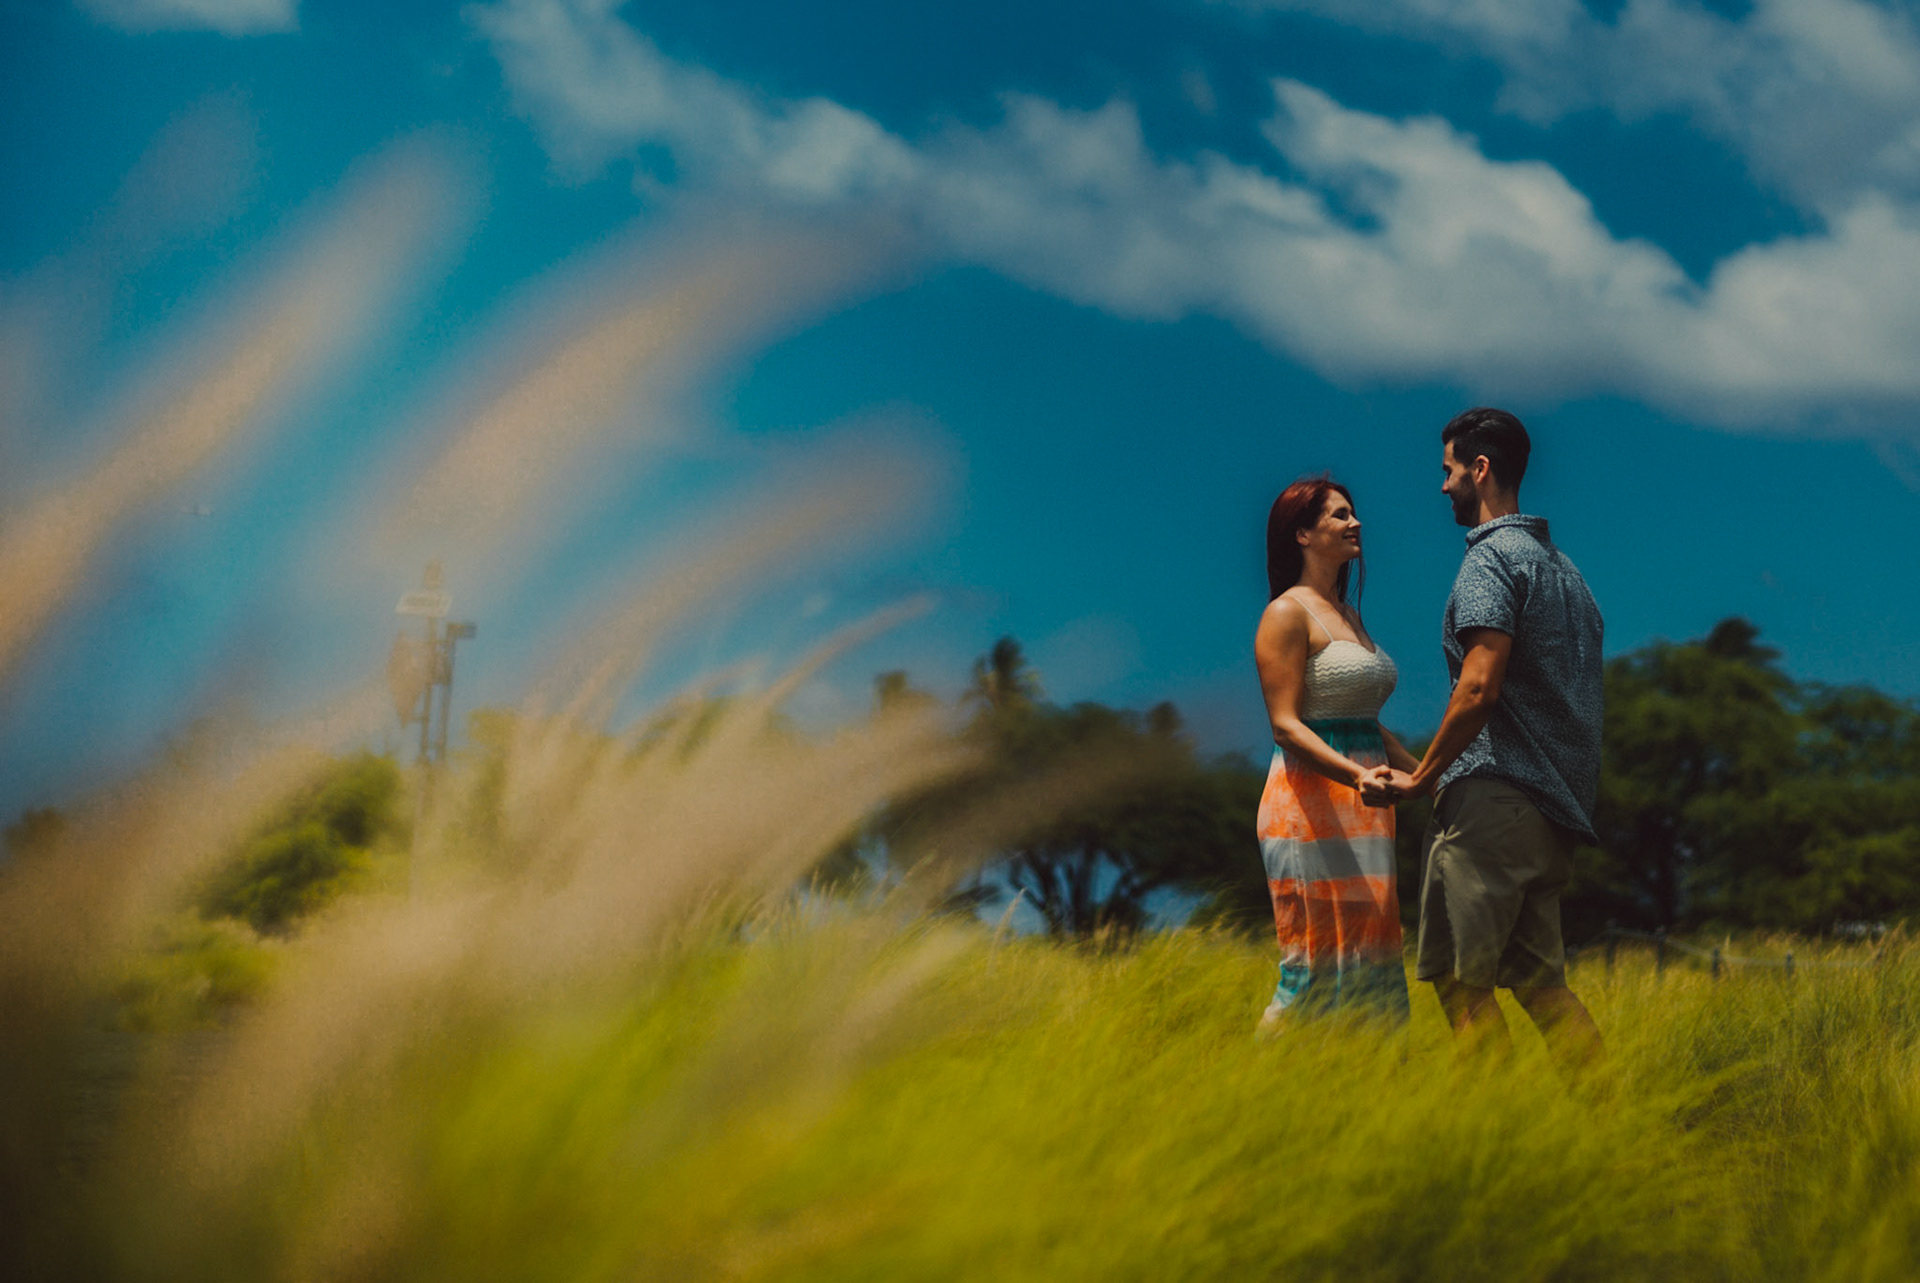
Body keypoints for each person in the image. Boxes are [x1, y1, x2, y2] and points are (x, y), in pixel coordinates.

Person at [1363, 407, 1605, 1071]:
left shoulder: (1490, 559)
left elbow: (1478, 687)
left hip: (1492, 808)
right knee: (1543, 990)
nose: (1442, 487)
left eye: (1448, 471)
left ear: (1480, 468)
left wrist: (1420, 777)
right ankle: (1613, 1131)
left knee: (1459, 985)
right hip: (1554, 817)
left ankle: (1494, 1148)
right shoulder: (1571, 577)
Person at [1253, 477, 1421, 1029]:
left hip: (1365, 809)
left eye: (1354, 514)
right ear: (1302, 533)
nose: (1356, 523)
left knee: (1371, 961)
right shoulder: (1285, 614)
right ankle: (1250, 1095)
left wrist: (1430, 776)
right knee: (1312, 966)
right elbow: (1285, 726)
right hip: (1309, 804)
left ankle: (1361, 1097)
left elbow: (1368, 724)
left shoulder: (1349, 615)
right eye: (1340, 515)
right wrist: (1358, 777)